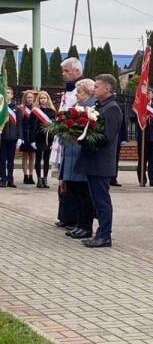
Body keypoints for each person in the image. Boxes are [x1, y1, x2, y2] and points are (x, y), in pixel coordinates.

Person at [75, 74, 123, 248]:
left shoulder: (112, 108)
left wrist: (83, 137)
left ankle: (104, 236)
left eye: (96, 86)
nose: (94, 89)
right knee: (95, 200)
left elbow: (107, 137)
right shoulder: (100, 105)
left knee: (102, 201)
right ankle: (99, 234)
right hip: (92, 160)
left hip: (101, 162)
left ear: (107, 89)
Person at [61, 79, 96, 240]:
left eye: (80, 92)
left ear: (88, 93)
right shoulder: (76, 106)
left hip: (81, 155)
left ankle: (85, 225)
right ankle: (79, 224)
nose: (76, 95)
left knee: (84, 193)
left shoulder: (91, 108)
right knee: (75, 191)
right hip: (70, 154)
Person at [53, 57, 83, 226]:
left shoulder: (82, 89)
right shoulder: (69, 90)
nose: (63, 74)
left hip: (73, 141)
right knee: (64, 179)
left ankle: (73, 218)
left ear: (76, 71)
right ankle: (65, 216)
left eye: (66, 71)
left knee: (71, 181)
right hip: (64, 140)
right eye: (63, 71)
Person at [130, 86, 153, 187]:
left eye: (150, 93)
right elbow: (132, 119)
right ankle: (142, 180)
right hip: (143, 137)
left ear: (152, 95)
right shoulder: (139, 106)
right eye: (146, 94)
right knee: (142, 160)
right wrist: (139, 113)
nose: (148, 95)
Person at [30, 91, 56, 188]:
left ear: (48, 99)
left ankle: (45, 179)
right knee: (38, 158)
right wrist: (32, 140)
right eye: (41, 98)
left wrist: (54, 139)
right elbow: (31, 126)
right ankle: (39, 180)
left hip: (48, 138)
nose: (43, 100)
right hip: (38, 138)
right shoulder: (35, 111)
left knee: (46, 159)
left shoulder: (52, 111)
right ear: (38, 100)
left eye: (45, 98)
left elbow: (54, 127)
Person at [0, 87, 23, 188]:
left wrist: (20, 137)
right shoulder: (1, 108)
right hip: (2, 138)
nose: (7, 94)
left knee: (10, 160)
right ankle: (3, 179)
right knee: (2, 160)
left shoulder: (17, 108)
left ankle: (10, 179)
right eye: (6, 93)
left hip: (13, 138)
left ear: (12, 95)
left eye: (9, 93)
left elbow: (19, 124)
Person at [19, 90, 36, 184]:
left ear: (33, 99)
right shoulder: (21, 108)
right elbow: (20, 123)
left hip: (32, 134)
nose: (29, 99)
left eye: (31, 97)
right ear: (25, 98)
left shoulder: (35, 108)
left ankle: (31, 175)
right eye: (28, 97)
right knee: (25, 155)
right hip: (25, 134)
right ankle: (25, 176)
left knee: (32, 155)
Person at [111, 99, 128, 187]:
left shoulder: (120, 106)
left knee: (115, 159)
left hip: (117, 137)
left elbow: (123, 123)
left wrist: (124, 138)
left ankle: (113, 178)